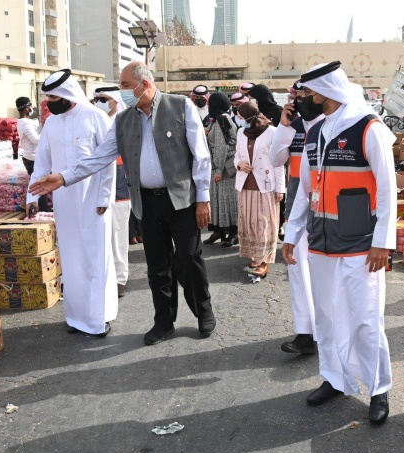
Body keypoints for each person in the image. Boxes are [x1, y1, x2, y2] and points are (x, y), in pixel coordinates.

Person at [28, 61, 216, 346]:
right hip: (147, 203)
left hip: (182, 200)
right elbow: (99, 158)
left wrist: (203, 198)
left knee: (188, 259)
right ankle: (163, 322)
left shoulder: (180, 106)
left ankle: (203, 312)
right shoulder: (123, 120)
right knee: (157, 266)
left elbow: (200, 156)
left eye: (126, 85)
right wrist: (63, 178)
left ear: (145, 84)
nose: (122, 91)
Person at [282, 61, 396, 423]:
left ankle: (379, 389)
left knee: (364, 319)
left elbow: (388, 188)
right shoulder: (315, 134)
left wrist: (383, 241)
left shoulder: (368, 129)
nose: (307, 99)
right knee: (328, 319)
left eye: (310, 92)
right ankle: (334, 379)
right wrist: (291, 233)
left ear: (327, 91)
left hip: (362, 244)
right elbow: (305, 190)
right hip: (320, 244)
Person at [26, 69, 117, 337]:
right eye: (47, 98)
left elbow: (108, 160)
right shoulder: (51, 124)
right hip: (64, 201)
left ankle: (99, 318)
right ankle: (77, 318)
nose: (49, 103)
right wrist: (32, 196)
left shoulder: (96, 117)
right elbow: (42, 162)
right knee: (72, 257)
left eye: (53, 97)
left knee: (95, 257)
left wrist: (103, 197)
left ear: (67, 94)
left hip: (92, 199)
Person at [268, 81, 325, 355]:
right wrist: (284, 126)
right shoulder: (294, 126)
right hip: (296, 210)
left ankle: (328, 332)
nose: (300, 99)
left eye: (304, 94)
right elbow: (276, 159)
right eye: (297, 95)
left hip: (329, 213)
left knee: (324, 277)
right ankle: (306, 333)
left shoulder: (334, 123)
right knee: (298, 273)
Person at [234, 101, 285, 278]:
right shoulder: (241, 132)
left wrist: (280, 188)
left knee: (264, 223)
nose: (240, 121)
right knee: (249, 222)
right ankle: (254, 256)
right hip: (245, 185)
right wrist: (239, 164)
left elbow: (279, 162)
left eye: (242, 117)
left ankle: (264, 261)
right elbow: (237, 155)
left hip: (265, 185)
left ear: (251, 116)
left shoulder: (272, 132)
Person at [94, 86, 131, 298]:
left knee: (118, 235)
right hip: (97, 185)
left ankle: (119, 279)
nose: (99, 102)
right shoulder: (95, 120)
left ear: (115, 101)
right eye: (97, 98)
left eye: (103, 99)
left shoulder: (125, 120)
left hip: (120, 184)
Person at [203, 93, 239, 247]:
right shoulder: (223, 118)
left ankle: (233, 233)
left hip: (223, 168)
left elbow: (220, 147)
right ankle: (219, 231)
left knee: (227, 202)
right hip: (220, 166)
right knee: (218, 200)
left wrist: (217, 170)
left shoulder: (220, 120)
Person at [16, 96, 47, 214]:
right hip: (32, 159)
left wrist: (43, 124)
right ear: (25, 108)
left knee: (41, 183)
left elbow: (37, 132)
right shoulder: (24, 124)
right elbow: (36, 140)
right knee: (40, 185)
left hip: (35, 157)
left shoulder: (28, 121)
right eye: (29, 106)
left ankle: (35, 207)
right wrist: (46, 128)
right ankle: (41, 210)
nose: (31, 108)